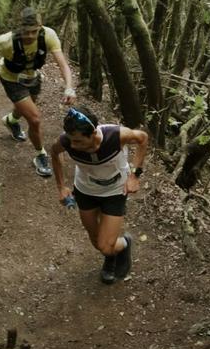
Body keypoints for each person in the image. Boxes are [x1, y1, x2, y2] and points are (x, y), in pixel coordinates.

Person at [50, 106, 148, 284]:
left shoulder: (116, 136)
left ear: (93, 133)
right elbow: (55, 153)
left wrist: (135, 175)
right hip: (85, 190)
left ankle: (123, 245)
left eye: (78, 141)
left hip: (115, 191)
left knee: (105, 245)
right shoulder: (66, 141)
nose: (73, 146)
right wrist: (61, 186)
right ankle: (111, 252)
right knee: (96, 242)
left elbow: (142, 138)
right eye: (71, 140)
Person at [0, 7, 75, 177]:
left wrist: (69, 87)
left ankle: (11, 121)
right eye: (26, 31)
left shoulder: (48, 35)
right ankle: (40, 155)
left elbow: (63, 64)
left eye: (34, 31)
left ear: (40, 26)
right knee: (35, 119)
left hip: (33, 76)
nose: (30, 35)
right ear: (19, 28)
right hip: (11, 78)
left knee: (26, 108)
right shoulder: (6, 41)